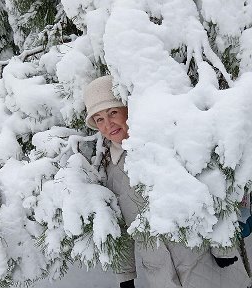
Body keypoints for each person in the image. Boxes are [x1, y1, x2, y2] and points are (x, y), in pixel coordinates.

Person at [83, 75, 251, 288]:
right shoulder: (110, 171)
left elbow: (211, 189)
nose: (108, 124)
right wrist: (125, 277)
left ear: (127, 109)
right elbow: (121, 228)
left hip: (205, 262)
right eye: (99, 119)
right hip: (161, 276)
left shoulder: (164, 144)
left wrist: (222, 247)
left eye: (112, 112)